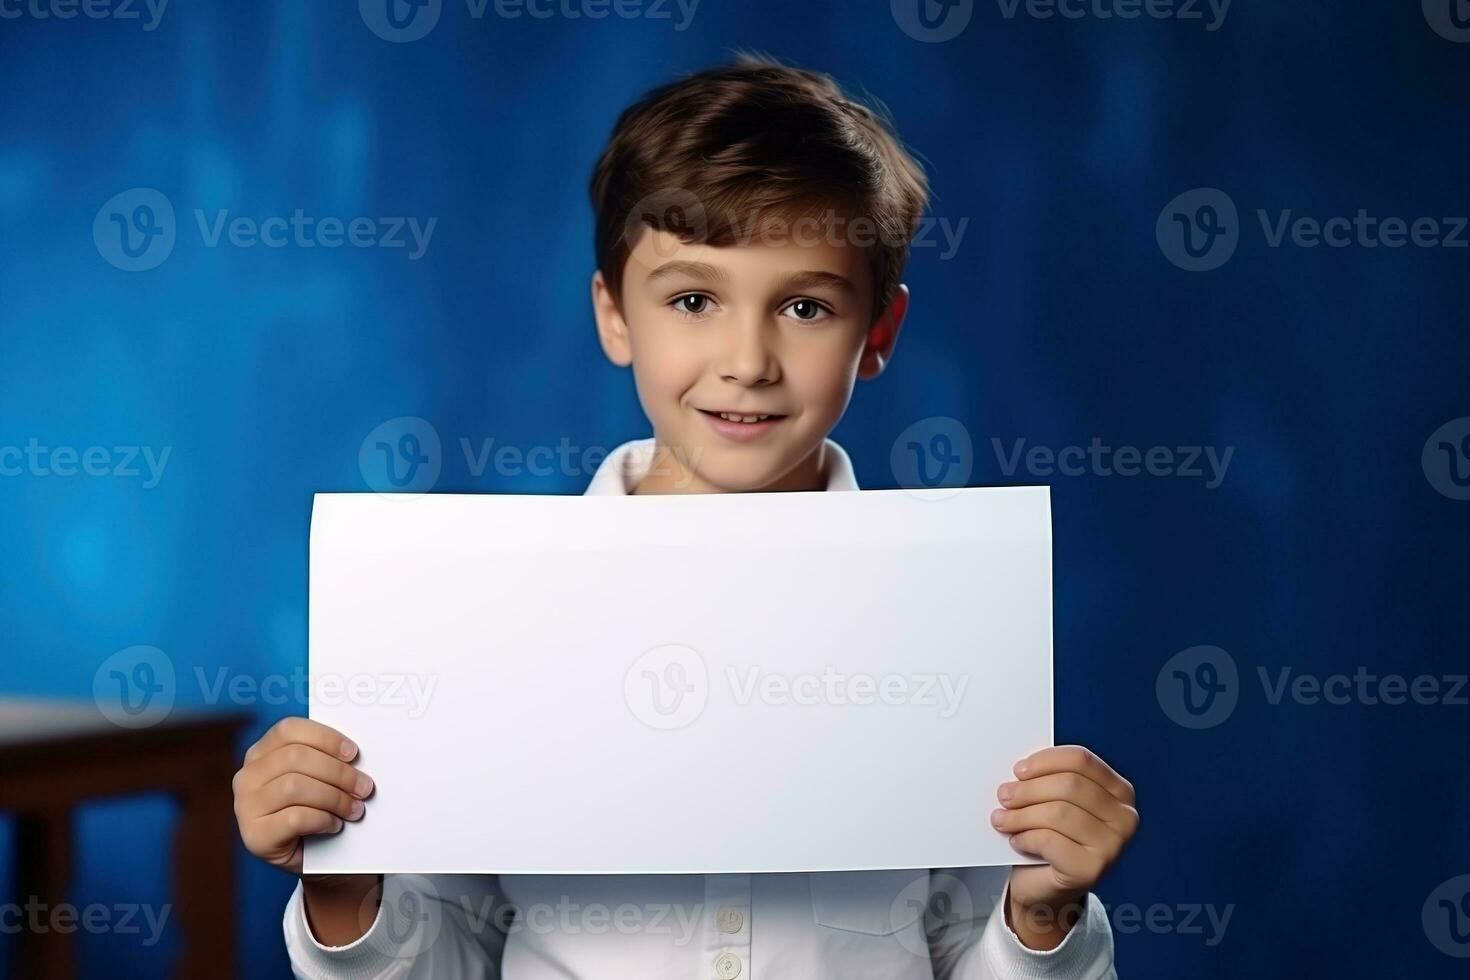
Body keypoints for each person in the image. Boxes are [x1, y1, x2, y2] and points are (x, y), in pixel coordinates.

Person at [233, 56, 1138, 979]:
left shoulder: (948, 616)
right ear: (614, 314)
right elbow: (453, 948)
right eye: (694, 299)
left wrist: (1040, 918)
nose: (747, 360)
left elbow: (961, 942)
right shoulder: (492, 608)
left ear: (879, 335)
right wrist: (346, 893)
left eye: (805, 305)